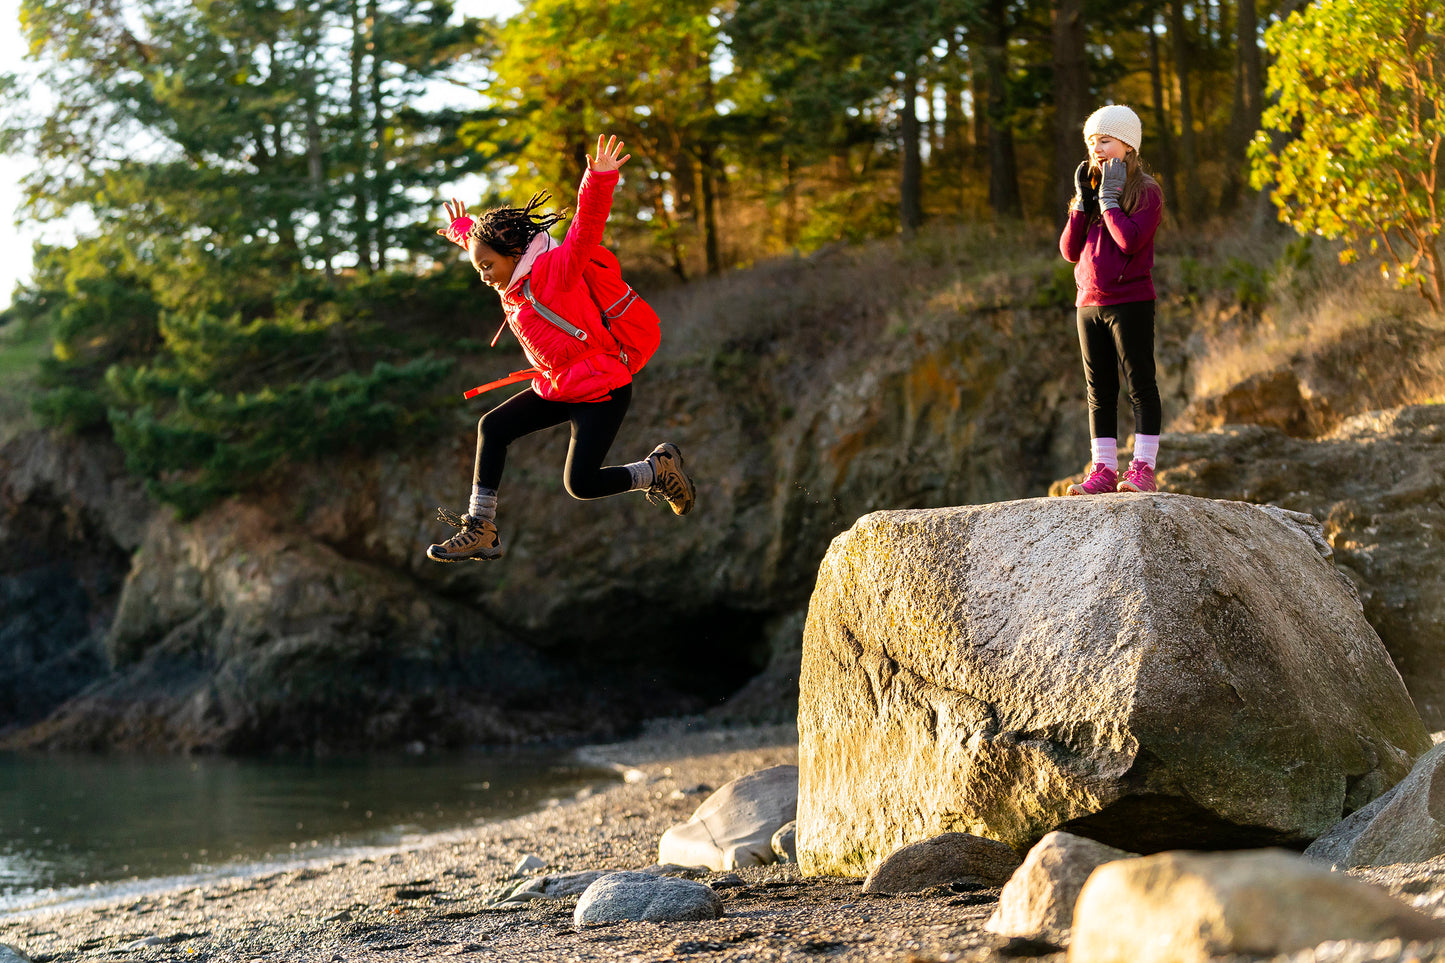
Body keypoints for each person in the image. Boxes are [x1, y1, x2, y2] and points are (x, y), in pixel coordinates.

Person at [426, 134, 695, 562]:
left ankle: (656, 470)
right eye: (478, 267)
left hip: (602, 388)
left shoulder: (556, 270)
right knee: (492, 428)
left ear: (514, 253)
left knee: (582, 485)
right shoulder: (511, 282)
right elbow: (487, 245)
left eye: (486, 266)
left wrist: (599, 178)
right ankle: (482, 530)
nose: (483, 276)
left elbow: (586, 228)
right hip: (558, 385)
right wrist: (465, 231)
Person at [1058, 104, 1166, 496]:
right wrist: (1084, 202)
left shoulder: (1146, 191)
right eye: (1091, 142)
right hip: (1088, 303)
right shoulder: (1089, 190)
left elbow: (1130, 240)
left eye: (1105, 140)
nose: (1096, 148)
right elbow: (1069, 250)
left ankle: (1143, 470)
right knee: (1099, 391)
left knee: (1140, 385)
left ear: (1129, 145)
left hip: (1130, 300)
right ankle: (1103, 470)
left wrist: (1110, 200)